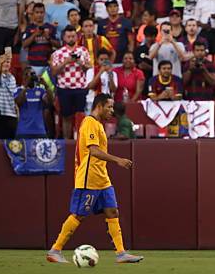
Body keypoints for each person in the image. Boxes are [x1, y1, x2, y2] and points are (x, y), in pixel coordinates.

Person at [47, 93, 143, 264]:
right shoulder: (90, 122)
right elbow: (94, 151)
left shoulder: (98, 124)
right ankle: (55, 250)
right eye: (109, 107)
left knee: (112, 212)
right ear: (99, 106)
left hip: (102, 178)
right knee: (79, 215)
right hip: (88, 178)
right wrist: (118, 160)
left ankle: (121, 254)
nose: (112, 111)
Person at [51, 25, 92, 140]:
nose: (71, 39)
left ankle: (81, 141)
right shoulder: (58, 53)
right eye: (68, 36)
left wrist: (80, 63)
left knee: (80, 116)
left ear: (77, 37)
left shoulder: (83, 50)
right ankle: (67, 141)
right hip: (64, 89)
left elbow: (89, 67)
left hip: (80, 88)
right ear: (64, 38)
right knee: (66, 116)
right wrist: (66, 62)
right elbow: (54, 72)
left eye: (73, 36)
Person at [14, 66, 53, 139]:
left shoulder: (40, 90)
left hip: (40, 131)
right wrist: (26, 86)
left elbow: (50, 101)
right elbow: (19, 102)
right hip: (23, 131)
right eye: (28, 74)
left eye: (33, 74)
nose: (31, 76)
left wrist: (46, 85)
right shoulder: (18, 90)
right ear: (23, 77)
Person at [0, 54, 17, 140]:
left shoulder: (12, 78)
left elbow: (14, 96)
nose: (6, 64)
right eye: (3, 62)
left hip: (11, 114)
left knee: (11, 142)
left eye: (8, 62)